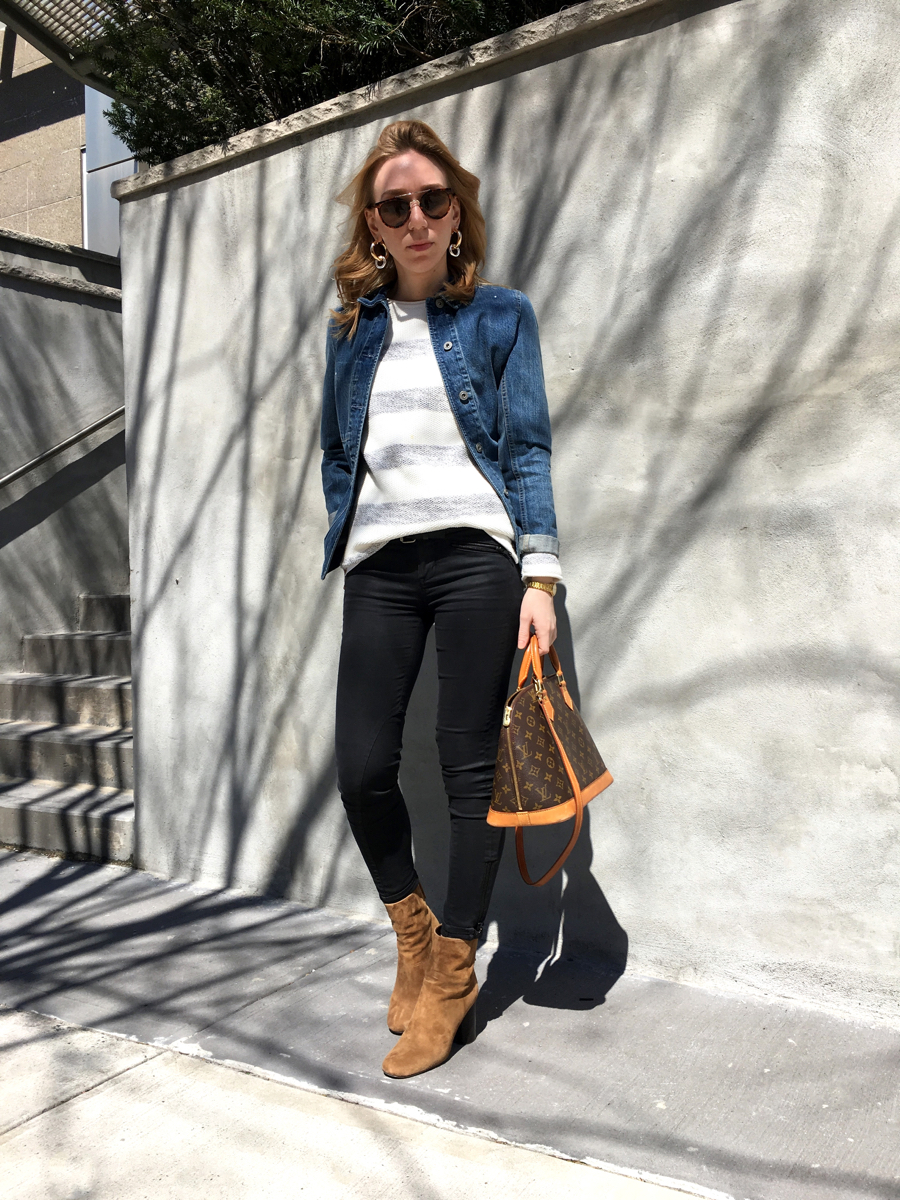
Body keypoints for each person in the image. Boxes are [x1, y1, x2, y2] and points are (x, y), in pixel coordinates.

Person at [320, 120, 561, 1079]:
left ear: (455, 213)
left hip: (475, 557)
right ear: (373, 226)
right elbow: (339, 452)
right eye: (394, 206)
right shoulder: (350, 328)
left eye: (431, 201)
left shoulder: (501, 317)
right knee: (363, 768)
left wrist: (538, 572)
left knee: (469, 770)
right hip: (381, 563)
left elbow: (529, 446)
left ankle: (456, 970)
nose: (415, 218)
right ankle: (413, 935)